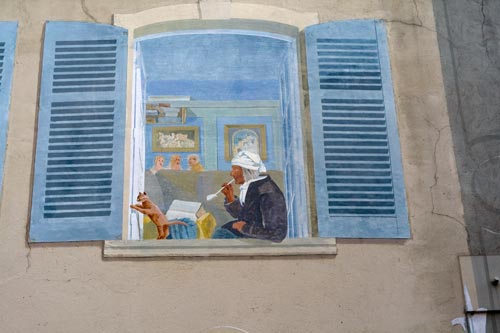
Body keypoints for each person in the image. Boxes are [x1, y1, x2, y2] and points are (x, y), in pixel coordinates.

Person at [212, 151, 287, 242]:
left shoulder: (268, 193)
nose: (231, 174)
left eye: (235, 169)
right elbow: (246, 215)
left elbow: (277, 234)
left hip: (256, 242)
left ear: (247, 170)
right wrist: (230, 198)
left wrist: (244, 228)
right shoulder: (254, 186)